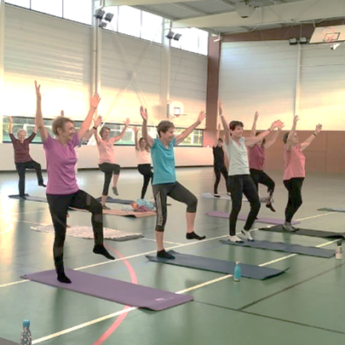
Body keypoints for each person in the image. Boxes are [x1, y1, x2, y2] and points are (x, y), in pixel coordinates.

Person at [34, 81, 115, 284]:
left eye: (72, 129)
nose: (73, 131)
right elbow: (41, 124)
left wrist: (93, 108)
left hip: (73, 191)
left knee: (97, 207)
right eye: (69, 129)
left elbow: (85, 127)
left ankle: (98, 245)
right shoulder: (49, 144)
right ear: (59, 130)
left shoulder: (72, 143)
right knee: (60, 235)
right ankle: (60, 272)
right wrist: (38, 101)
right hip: (56, 196)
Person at [140, 106, 206, 259]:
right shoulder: (155, 144)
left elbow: (184, 133)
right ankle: (160, 250)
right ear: (162, 133)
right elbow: (144, 135)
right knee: (162, 217)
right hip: (159, 186)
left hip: (172, 183)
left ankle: (190, 232)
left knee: (192, 200)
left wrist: (197, 122)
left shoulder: (171, 144)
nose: (172, 134)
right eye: (170, 132)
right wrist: (144, 121)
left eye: (173, 131)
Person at [219, 102, 283, 242]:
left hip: (246, 176)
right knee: (237, 206)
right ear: (231, 131)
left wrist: (271, 128)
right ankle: (231, 235)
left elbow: (258, 138)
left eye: (242, 129)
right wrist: (221, 114)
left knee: (256, 203)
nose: (241, 131)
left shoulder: (243, 141)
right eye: (237, 129)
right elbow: (224, 128)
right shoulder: (228, 141)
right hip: (234, 177)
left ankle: (246, 229)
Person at [282, 115, 322, 231]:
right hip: (291, 178)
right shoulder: (288, 148)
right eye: (294, 136)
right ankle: (287, 222)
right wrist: (294, 125)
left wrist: (316, 133)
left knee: (292, 200)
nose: (297, 137)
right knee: (298, 201)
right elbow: (289, 139)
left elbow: (307, 142)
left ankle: (287, 223)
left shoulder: (298, 148)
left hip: (299, 178)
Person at [87, 118, 130, 209]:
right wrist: (95, 126)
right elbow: (95, 135)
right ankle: (114, 186)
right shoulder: (100, 142)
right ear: (102, 133)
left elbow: (120, 136)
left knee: (106, 184)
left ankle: (102, 204)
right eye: (105, 132)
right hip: (103, 164)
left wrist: (125, 127)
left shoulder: (111, 141)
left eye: (108, 132)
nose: (107, 134)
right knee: (117, 167)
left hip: (110, 165)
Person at [248, 111, 284, 212]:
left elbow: (272, 140)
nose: (260, 139)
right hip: (252, 172)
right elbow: (252, 134)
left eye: (262, 138)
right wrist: (255, 121)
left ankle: (268, 202)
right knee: (255, 193)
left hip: (260, 172)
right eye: (258, 137)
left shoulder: (263, 147)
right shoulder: (252, 146)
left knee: (272, 184)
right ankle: (254, 212)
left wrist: (278, 130)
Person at [9, 116, 46, 197]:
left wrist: (36, 123)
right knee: (22, 178)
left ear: (25, 135)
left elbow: (34, 133)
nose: (22, 136)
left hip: (28, 161)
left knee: (38, 165)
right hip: (19, 163)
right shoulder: (15, 141)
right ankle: (21, 194)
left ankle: (40, 182)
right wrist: (10, 123)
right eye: (20, 135)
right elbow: (10, 133)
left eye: (23, 135)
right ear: (18, 135)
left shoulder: (27, 141)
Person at [133, 126, 153, 199]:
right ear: (140, 143)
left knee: (146, 183)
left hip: (148, 167)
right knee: (153, 175)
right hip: (142, 167)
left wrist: (146, 133)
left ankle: (142, 198)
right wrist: (136, 134)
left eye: (145, 142)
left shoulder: (148, 149)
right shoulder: (139, 149)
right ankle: (155, 193)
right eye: (142, 142)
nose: (143, 143)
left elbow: (151, 141)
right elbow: (136, 142)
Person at [212, 124, 231, 197]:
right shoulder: (215, 148)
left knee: (227, 177)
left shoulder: (222, 148)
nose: (219, 143)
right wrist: (218, 130)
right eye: (219, 142)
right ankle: (215, 192)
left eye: (220, 142)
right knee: (218, 178)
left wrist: (227, 132)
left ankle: (228, 191)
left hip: (222, 165)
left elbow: (224, 139)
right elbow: (216, 138)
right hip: (217, 166)